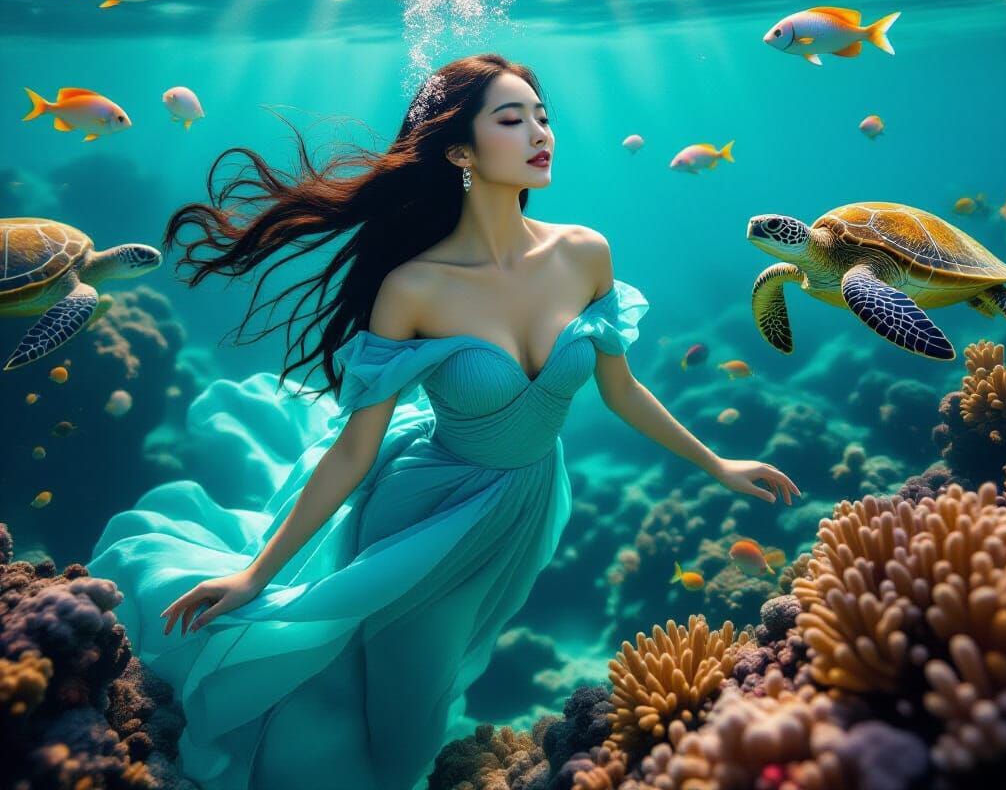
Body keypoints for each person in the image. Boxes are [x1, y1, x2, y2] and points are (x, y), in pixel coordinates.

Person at [86, 53, 800, 790]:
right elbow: (352, 451)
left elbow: (621, 391)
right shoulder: (413, 287)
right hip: (423, 519)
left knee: (422, 700)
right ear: (459, 151)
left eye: (543, 116)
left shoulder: (586, 253)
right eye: (512, 119)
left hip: (523, 508)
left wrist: (718, 463)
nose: (540, 133)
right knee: (405, 727)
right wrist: (257, 573)